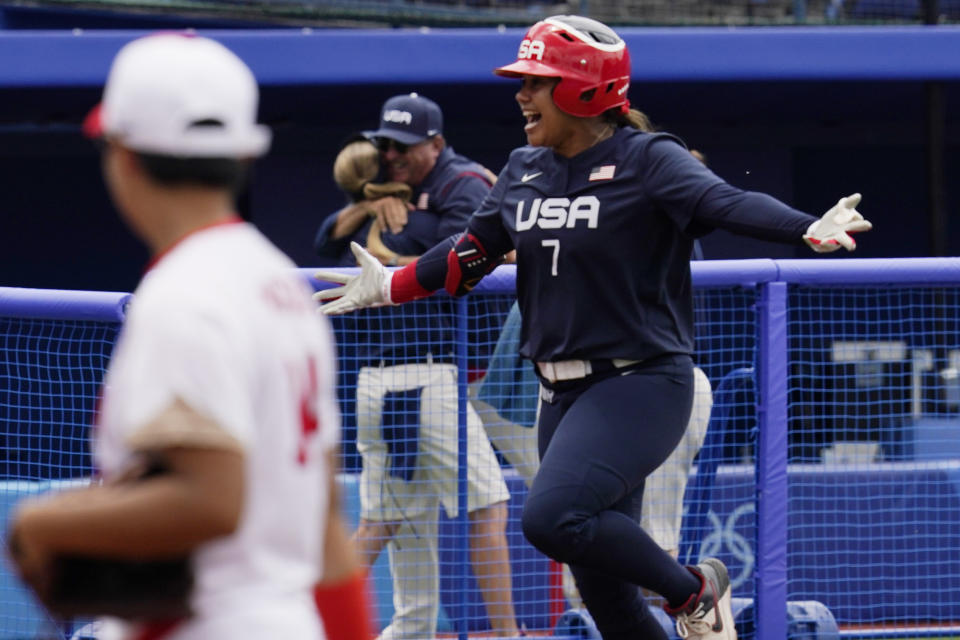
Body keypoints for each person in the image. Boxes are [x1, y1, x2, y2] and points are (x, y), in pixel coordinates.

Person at [313, 15, 872, 640]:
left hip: (640, 384)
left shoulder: (648, 156)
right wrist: (393, 284)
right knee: (609, 601)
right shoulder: (526, 166)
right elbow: (472, 250)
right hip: (561, 393)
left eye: (536, 81)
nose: (521, 94)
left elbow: (723, 201)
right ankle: (682, 600)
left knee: (549, 519)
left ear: (582, 88)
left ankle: (695, 589)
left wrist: (803, 227)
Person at [6, 34, 372, 640]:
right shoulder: (275, 282)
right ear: (243, 157)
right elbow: (322, 521)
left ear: (121, 153)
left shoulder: (185, 293)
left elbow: (211, 498)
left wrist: (42, 523)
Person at [315, 95, 521, 639]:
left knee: (390, 523)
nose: (391, 155)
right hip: (421, 380)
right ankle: (505, 634)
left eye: (404, 146)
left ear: (436, 143)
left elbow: (462, 254)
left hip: (412, 380)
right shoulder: (385, 193)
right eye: (385, 144)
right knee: (486, 508)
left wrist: (396, 230)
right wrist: (371, 208)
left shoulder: (465, 184)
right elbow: (326, 241)